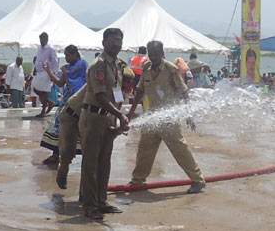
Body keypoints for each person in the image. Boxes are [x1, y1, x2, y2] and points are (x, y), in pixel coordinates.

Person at [126, 40, 206, 194]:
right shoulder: (147, 69)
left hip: (169, 118)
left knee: (179, 149)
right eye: (151, 55)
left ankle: (198, 180)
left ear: (162, 54)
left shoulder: (171, 69)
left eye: (156, 54)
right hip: (152, 116)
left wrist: (188, 115)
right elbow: (140, 92)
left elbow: (184, 93)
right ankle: (138, 180)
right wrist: (130, 113)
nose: (154, 58)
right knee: (144, 149)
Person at [78, 28, 129, 220]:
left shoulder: (118, 65)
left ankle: (101, 200)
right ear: (104, 42)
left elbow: (117, 93)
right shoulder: (98, 65)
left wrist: (118, 116)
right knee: (90, 162)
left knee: (104, 161)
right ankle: (89, 205)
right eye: (113, 40)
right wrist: (120, 115)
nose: (117, 43)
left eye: (119, 40)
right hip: (94, 117)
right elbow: (99, 96)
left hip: (108, 117)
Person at [40, 45, 88, 166]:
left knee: (77, 127)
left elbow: (73, 78)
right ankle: (56, 154)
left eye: (67, 55)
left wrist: (65, 71)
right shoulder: (69, 67)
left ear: (74, 55)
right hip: (66, 99)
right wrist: (49, 71)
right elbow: (60, 83)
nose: (66, 57)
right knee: (59, 124)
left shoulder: (81, 64)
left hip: (77, 99)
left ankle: (79, 155)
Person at [32, 32, 59, 117]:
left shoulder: (50, 48)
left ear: (46, 39)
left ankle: (43, 110)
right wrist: (35, 68)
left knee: (44, 92)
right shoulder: (39, 47)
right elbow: (38, 58)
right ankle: (50, 102)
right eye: (40, 39)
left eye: (43, 39)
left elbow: (55, 61)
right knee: (35, 88)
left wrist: (53, 74)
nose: (41, 41)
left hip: (46, 72)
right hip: (39, 71)